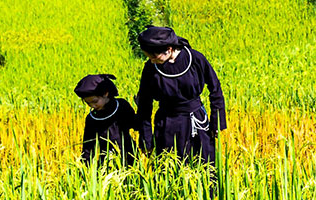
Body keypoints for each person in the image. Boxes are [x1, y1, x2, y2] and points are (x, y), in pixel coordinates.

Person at [134, 26, 226, 165]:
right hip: (167, 125)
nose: (151, 60)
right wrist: (146, 136)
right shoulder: (150, 68)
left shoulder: (195, 59)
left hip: (196, 123)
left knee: (206, 167)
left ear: (169, 49)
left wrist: (217, 121)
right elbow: (144, 104)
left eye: (154, 56)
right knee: (170, 168)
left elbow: (215, 89)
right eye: (148, 56)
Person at [75, 73, 146, 166]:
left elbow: (136, 125)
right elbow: (88, 147)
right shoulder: (92, 119)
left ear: (106, 93)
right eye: (88, 103)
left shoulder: (121, 106)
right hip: (106, 161)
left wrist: (142, 108)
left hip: (129, 156)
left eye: (95, 101)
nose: (93, 106)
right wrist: (84, 168)